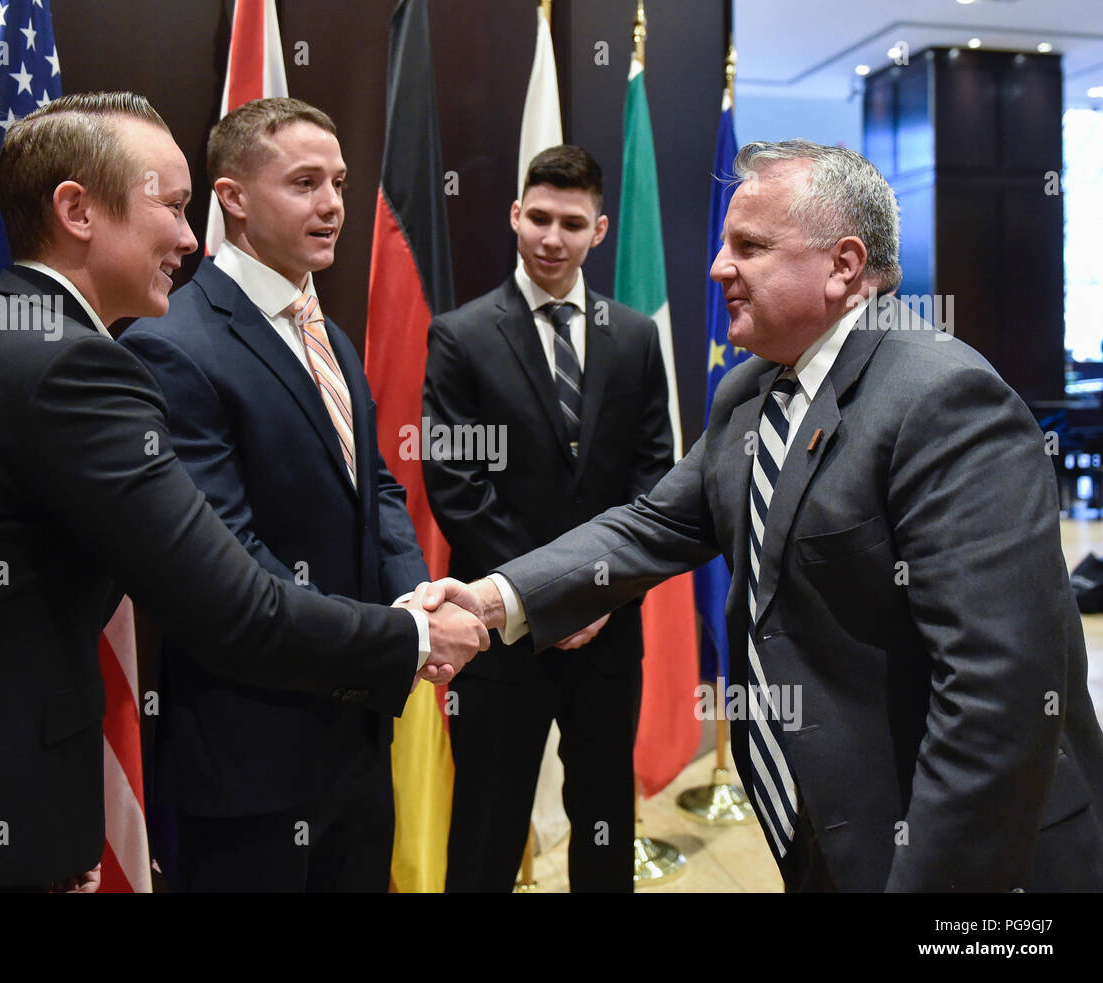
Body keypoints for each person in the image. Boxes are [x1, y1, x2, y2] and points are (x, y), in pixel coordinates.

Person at [0, 92, 486, 893]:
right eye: (174, 205)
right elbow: (229, 603)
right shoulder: (71, 368)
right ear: (77, 210)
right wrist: (408, 639)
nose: (191, 238)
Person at [462, 140, 1103, 892]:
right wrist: (490, 599)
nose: (717, 268)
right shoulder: (749, 393)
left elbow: (997, 695)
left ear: (843, 265)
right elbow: (649, 526)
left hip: (955, 851)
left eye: (750, 247)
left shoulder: (946, 400)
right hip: (822, 827)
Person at [120, 98, 430, 892]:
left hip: (357, 737)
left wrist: (418, 601)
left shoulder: (324, 326)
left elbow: (378, 486)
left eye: (340, 182)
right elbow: (227, 560)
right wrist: (398, 637)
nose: (333, 204)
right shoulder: (173, 344)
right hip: (251, 759)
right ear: (233, 197)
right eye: (304, 182)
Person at [423, 145, 674, 892]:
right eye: (538, 217)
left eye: (572, 222)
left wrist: (595, 592)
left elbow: (655, 479)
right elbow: (457, 484)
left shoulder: (635, 336)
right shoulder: (461, 336)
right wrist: (543, 597)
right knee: (487, 830)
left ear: (599, 229)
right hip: (497, 634)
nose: (551, 237)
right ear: (514, 215)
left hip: (607, 630)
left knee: (604, 822)